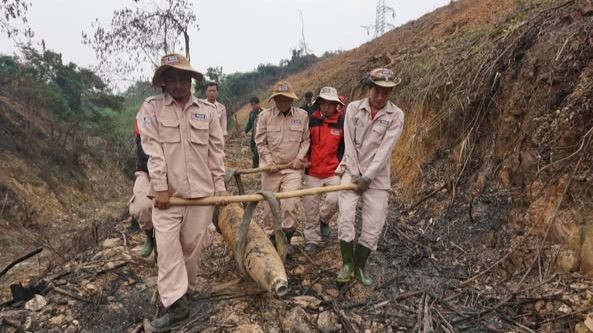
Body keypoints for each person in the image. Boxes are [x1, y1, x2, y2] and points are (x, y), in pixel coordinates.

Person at [137, 53, 226, 331]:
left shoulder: (208, 112)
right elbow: (151, 149)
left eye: (182, 78)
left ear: (190, 80)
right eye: (171, 79)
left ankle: (183, 292)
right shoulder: (151, 109)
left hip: (201, 194)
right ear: (163, 82)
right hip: (168, 197)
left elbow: (216, 152)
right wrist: (160, 186)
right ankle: (176, 306)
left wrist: (220, 186)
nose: (177, 84)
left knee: (192, 248)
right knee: (167, 249)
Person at [335, 68, 404, 286]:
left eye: (387, 92)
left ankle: (360, 266)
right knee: (345, 216)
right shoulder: (354, 109)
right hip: (352, 170)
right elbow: (349, 144)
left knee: (374, 224)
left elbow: (385, 150)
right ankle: (346, 264)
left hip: (377, 177)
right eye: (378, 91)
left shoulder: (396, 115)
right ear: (369, 88)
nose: (381, 96)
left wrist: (368, 177)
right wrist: (355, 174)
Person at [255, 81, 310, 254]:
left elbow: (306, 140)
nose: (283, 102)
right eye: (279, 98)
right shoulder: (264, 116)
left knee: (290, 203)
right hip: (270, 169)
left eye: (286, 99)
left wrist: (299, 158)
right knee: (269, 205)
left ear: (291, 99)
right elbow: (260, 142)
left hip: (292, 168)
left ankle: (286, 239)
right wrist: (269, 161)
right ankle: (271, 237)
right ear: (275, 99)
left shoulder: (302, 116)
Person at [302, 87, 345, 254]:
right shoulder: (310, 120)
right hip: (312, 171)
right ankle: (313, 240)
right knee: (310, 206)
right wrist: (304, 159)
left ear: (337, 105)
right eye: (323, 104)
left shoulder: (342, 122)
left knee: (335, 199)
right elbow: (304, 142)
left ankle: (323, 219)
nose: (326, 107)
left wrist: (341, 164)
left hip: (333, 171)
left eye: (330, 104)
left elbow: (345, 146)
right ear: (319, 104)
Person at [128, 120, 155, 257]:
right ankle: (150, 237)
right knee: (140, 207)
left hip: (174, 170)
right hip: (146, 172)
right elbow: (143, 155)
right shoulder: (145, 114)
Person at [244, 97, 263, 168]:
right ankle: (259, 163)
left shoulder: (262, 112)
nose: (253, 106)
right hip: (254, 135)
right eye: (251, 105)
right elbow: (249, 124)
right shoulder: (251, 113)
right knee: (252, 148)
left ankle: (255, 167)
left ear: (258, 103)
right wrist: (245, 131)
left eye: (254, 104)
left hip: (261, 135)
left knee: (256, 151)